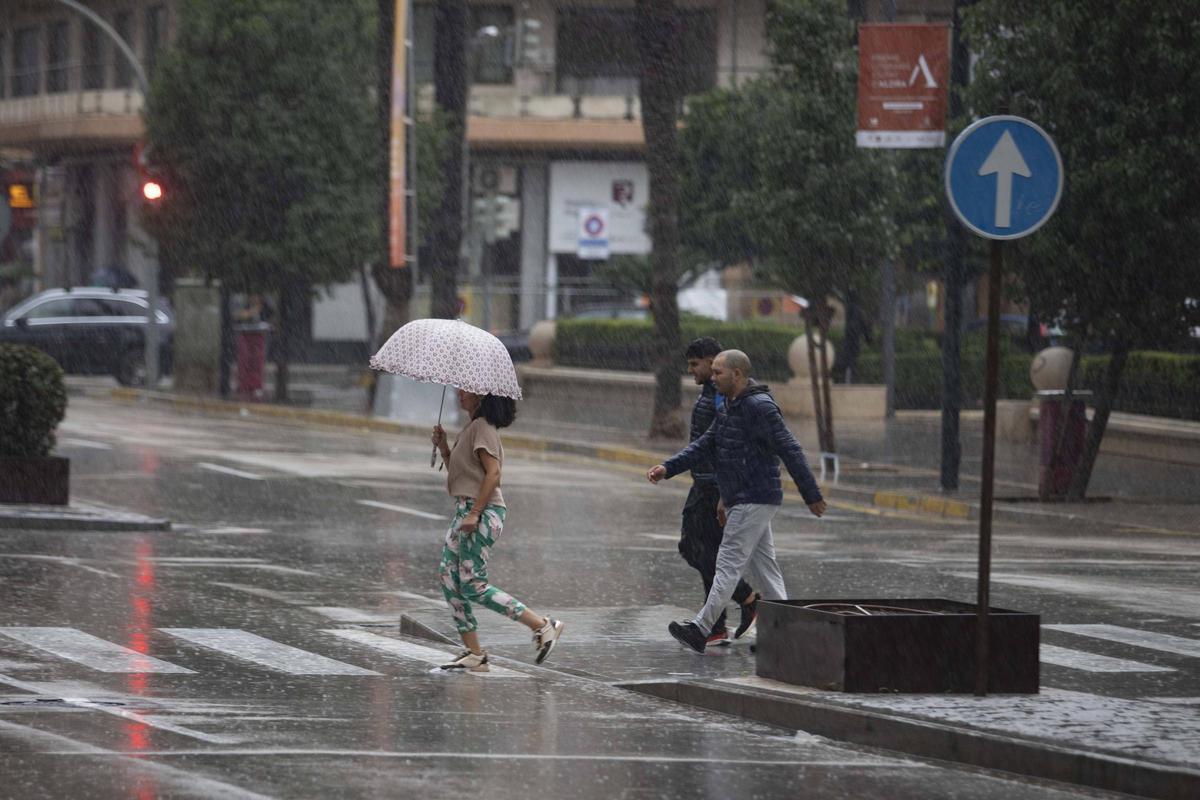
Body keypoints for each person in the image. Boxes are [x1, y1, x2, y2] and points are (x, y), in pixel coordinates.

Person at [646, 350, 826, 654]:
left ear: (737, 375)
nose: (713, 378)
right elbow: (707, 444)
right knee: (767, 569)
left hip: (754, 497)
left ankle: (701, 629)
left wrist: (811, 495)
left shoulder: (759, 407)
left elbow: (790, 449)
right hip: (743, 497)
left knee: (727, 564)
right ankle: (786, 633)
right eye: (712, 372)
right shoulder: (731, 405)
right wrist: (669, 468)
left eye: (718, 373)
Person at [431, 390, 564, 672]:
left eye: (465, 390)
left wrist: (476, 513)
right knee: (449, 578)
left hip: (482, 512)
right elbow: (464, 473)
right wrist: (443, 446)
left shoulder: (482, 427)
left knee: (473, 585)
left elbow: (494, 474)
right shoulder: (473, 426)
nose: (459, 394)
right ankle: (474, 653)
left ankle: (542, 626)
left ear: (481, 396)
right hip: (465, 510)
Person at [679, 337, 759, 646]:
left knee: (694, 547)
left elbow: (723, 443)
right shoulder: (712, 394)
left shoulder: (720, 396)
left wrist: (725, 488)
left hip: (713, 486)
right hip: (705, 482)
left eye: (695, 364)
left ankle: (746, 598)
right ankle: (715, 623)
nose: (692, 371)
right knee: (706, 550)